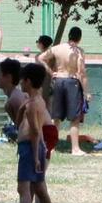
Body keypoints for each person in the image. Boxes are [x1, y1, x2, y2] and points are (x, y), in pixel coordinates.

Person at [5, 63, 55, 203]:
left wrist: (35, 157)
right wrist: (21, 110)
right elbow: (23, 124)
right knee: (39, 189)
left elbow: (34, 131)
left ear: (27, 81)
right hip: (33, 147)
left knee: (24, 188)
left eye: (22, 81)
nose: (20, 84)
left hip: (31, 148)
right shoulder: (34, 101)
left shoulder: (34, 104)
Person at [38, 27, 90, 156]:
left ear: (69, 35)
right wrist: (86, 91)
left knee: (56, 118)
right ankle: (75, 148)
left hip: (58, 81)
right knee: (75, 118)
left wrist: (51, 72)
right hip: (72, 82)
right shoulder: (78, 51)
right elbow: (81, 72)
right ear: (80, 38)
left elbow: (40, 58)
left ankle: (51, 147)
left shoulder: (57, 48)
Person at [35, 35, 54, 104]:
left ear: (41, 44)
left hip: (44, 82)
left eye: (38, 42)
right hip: (48, 83)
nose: (37, 44)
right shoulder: (52, 55)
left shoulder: (38, 56)